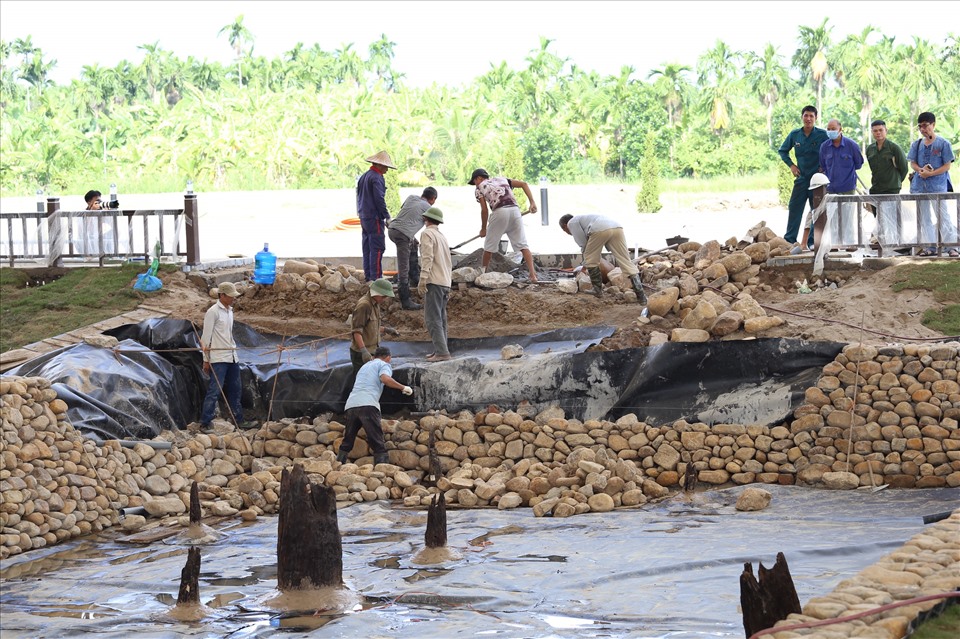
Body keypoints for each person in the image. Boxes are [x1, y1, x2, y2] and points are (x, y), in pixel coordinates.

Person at [336, 346, 413, 465]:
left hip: (351, 405)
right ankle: (382, 470)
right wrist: (403, 387)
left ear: (374, 356)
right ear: (388, 358)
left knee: (348, 440)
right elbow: (385, 379)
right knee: (376, 439)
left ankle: (338, 465)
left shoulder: (364, 366)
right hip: (368, 405)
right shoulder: (383, 365)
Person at [468, 168, 539, 283]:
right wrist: (532, 202)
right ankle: (533, 275)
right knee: (523, 245)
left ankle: (483, 275)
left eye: (474, 181)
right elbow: (524, 184)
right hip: (515, 211)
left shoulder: (479, 187)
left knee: (488, 248)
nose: (475, 184)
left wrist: (483, 229)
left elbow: (484, 210)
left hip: (499, 212)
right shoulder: (502, 179)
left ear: (479, 178)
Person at [558, 214, 646, 304]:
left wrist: (585, 266)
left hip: (600, 229)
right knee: (626, 261)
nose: (566, 232)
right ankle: (641, 297)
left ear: (565, 225)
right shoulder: (585, 219)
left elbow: (584, 245)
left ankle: (597, 290)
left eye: (564, 230)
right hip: (616, 227)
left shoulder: (571, 223)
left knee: (590, 258)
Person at [199, 281, 250, 428]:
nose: (233, 298)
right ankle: (205, 422)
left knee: (236, 389)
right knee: (215, 390)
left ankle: (238, 420)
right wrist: (206, 360)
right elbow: (205, 339)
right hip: (219, 358)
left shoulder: (230, 311)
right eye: (230, 296)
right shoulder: (213, 312)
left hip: (232, 356)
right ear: (222, 295)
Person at [907, 112, 957, 257]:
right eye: (920, 126)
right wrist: (920, 170)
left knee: (943, 216)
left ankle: (951, 247)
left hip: (938, 186)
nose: (923, 129)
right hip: (919, 186)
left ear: (933, 125)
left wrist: (931, 173)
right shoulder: (916, 145)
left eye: (926, 125)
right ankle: (930, 247)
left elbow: (947, 166)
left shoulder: (943, 144)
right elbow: (913, 163)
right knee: (924, 217)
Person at [778, 105, 829, 244]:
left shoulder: (822, 135)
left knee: (817, 211)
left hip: (817, 181)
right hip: (801, 179)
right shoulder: (795, 135)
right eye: (806, 115)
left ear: (816, 118)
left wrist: (824, 168)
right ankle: (789, 241)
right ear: (802, 117)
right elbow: (782, 151)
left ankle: (813, 242)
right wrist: (792, 166)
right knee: (794, 208)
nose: (808, 119)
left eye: (811, 116)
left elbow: (830, 152)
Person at [388, 186, 437, 310]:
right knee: (403, 268)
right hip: (402, 235)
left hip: (392, 229)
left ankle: (414, 276)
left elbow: (407, 216)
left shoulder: (411, 197)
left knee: (414, 244)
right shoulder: (428, 208)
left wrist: (412, 237)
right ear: (433, 199)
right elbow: (431, 225)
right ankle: (405, 301)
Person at [819, 119, 864, 245]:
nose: (831, 131)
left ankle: (849, 244)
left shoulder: (851, 145)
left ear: (840, 129)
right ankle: (834, 245)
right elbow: (823, 166)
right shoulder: (824, 147)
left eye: (833, 128)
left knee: (847, 219)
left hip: (847, 188)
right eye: (828, 129)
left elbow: (858, 164)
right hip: (830, 189)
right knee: (832, 219)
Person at [866, 119, 909, 246]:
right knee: (879, 218)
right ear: (872, 132)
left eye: (880, 130)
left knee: (892, 218)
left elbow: (904, 168)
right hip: (876, 188)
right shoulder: (870, 149)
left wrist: (895, 181)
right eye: (875, 131)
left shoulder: (894, 148)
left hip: (891, 188)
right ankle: (881, 242)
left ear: (886, 131)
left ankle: (895, 243)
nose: (878, 133)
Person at [418, 207, 453, 362]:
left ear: (426, 219)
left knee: (432, 318)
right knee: (441, 318)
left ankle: (442, 352)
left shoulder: (427, 234)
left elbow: (427, 257)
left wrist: (423, 278)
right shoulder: (442, 236)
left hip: (435, 281)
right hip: (445, 281)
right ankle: (441, 349)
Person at [356, 150, 396, 281]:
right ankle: (376, 278)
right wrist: (387, 216)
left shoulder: (364, 176)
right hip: (374, 218)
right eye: (385, 167)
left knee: (367, 247)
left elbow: (358, 197)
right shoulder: (377, 178)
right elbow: (379, 199)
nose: (387, 170)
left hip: (364, 216)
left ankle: (369, 277)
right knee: (377, 248)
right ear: (379, 165)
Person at [349, 278, 395, 375]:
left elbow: (370, 327)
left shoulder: (375, 303)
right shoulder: (364, 306)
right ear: (377, 293)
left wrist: (386, 330)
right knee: (364, 381)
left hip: (372, 350)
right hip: (361, 353)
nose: (384, 299)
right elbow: (356, 331)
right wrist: (364, 351)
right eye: (383, 296)